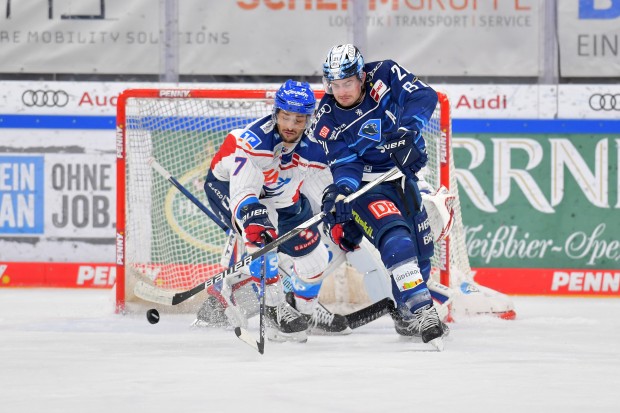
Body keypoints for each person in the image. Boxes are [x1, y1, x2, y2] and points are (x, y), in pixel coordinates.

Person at [312, 44, 448, 348]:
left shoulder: (385, 73)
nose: (341, 91)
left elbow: (424, 96)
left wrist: (408, 132)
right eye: (334, 85)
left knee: (422, 250)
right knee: (396, 240)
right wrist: (343, 192)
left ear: (361, 76)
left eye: (347, 83)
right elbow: (346, 164)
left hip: (404, 178)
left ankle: (405, 314)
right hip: (368, 188)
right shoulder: (326, 120)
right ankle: (424, 310)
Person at [198, 79, 351, 342]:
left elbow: (324, 187)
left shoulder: (317, 144)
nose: (291, 125)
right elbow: (243, 193)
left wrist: (335, 205)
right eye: (285, 116)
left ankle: (304, 311)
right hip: (228, 185)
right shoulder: (254, 142)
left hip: (282, 198)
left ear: (309, 118)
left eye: (299, 119)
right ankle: (273, 306)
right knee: (260, 235)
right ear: (275, 112)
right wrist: (250, 214)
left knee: (315, 259)